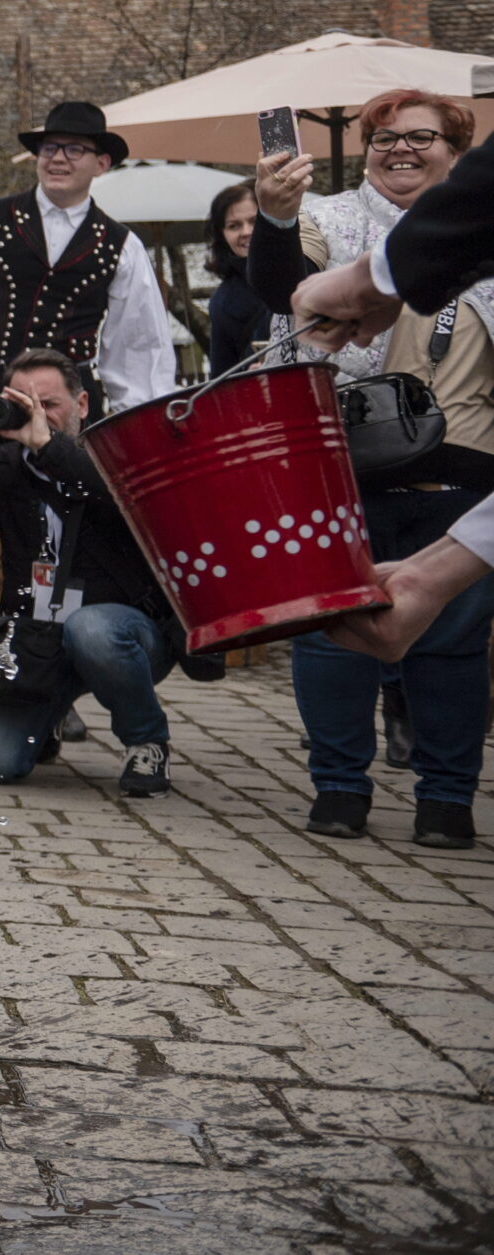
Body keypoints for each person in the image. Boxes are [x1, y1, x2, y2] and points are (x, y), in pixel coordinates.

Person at [247, 89, 491, 849]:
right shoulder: (335, 221)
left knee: (452, 642)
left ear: (460, 153)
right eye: (383, 138)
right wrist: (278, 216)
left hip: (467, 470)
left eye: (421, 137)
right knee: (332, 630)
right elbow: (279, 282)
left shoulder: (481, 231)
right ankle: (340, 788)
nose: (400, 150)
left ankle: (447, 798)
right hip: (344, 460)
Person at [0, 101, 178, 732]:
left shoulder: (121, 245)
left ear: (102, 163)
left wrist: (127, 435)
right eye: (50, 147)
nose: (58, 158)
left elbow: (139, 345)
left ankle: (55, 688)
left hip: (67, 421)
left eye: (75, 149)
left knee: (63, 549)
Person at [0, 352, 178, 795]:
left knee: (91, 629)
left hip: (123, 637)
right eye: (26, 404)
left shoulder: (116, 456)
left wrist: (48, 447)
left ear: (83, 404)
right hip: (39, 647)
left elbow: (122, 503)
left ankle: (146, 741)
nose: (37, 416)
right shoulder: (3, 468)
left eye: (50, 405)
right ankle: (49, 714)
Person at [203, 180, 266, 374]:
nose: (246, 232)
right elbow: (223, 377)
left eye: (254, 221)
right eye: (234, 226)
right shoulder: (222, 303)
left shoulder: (305, 268)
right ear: (221, 235)